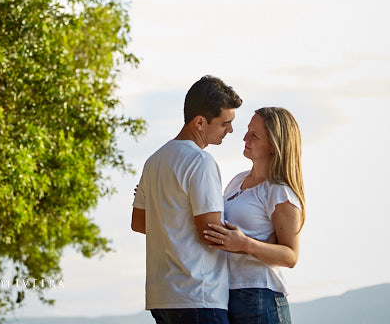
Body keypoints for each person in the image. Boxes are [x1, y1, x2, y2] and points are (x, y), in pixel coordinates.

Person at [131, 75, 243, 324]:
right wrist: (254, 242)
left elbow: (139, 223)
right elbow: (211, 233)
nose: (231, 130)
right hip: (198, 297)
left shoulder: (154, 161)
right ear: (200, 122)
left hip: (162, 298)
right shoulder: (201, 162)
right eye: (225, 123)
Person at [202, 107, 305, 324]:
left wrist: (245, 244)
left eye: (254, 135)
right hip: (225, 293)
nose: (244, 137)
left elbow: (291, 256)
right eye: (248, 130)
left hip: (259, 296)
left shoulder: (279, 191)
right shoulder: (237, 181)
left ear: (274, 147)